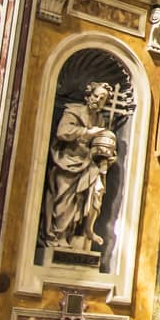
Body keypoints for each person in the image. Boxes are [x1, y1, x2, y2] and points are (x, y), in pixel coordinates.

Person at [42, 81, 116, 252]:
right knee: (63, 200)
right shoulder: (73, 110)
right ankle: (56, 236)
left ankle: (78, 234)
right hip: (67, 162)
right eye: (96, 95)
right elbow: (62, 132)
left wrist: (106, 155)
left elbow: (99, 146)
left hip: (87, 163)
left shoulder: (100, 120)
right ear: (89, 95)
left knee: (86, 198)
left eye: (102, 98)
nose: (97, 100)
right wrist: (86, 132)